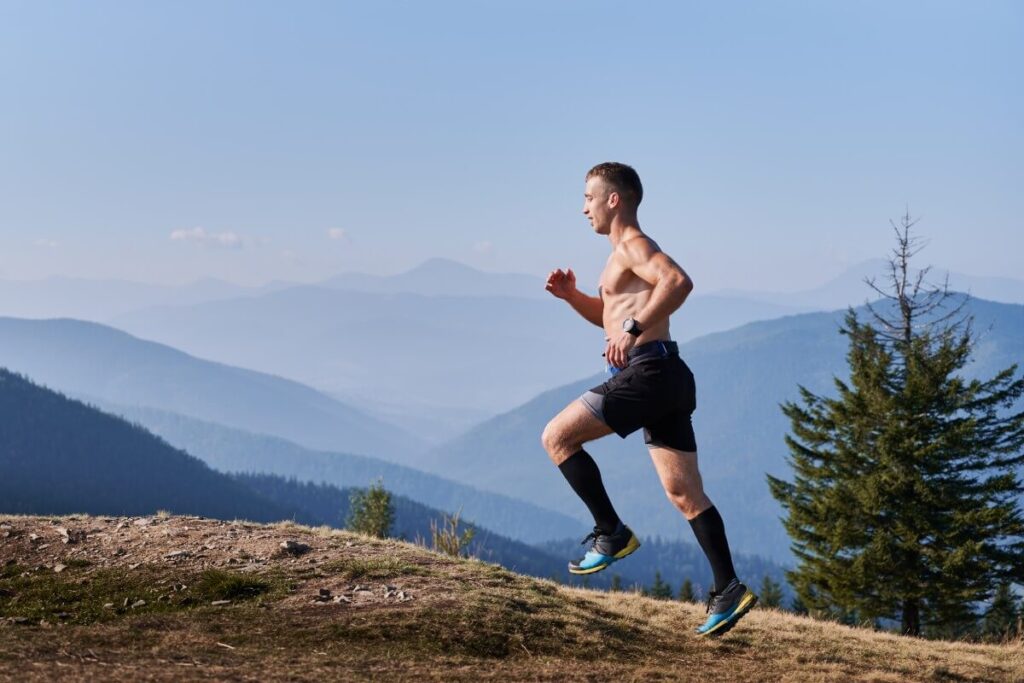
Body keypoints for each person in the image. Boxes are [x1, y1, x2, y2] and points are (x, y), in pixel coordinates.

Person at [541, 162, 757, 637]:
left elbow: (677, 282)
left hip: (649, 373)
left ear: (613, 199)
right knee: (685, 494)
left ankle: (610, 531)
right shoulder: (619, 257)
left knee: (556, 437)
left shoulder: (635, 245)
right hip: (668, 376)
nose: (584, 209)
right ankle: (728, 589)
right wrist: (573, 296)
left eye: (588, 198)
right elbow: (611, 315)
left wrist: (633, 329)